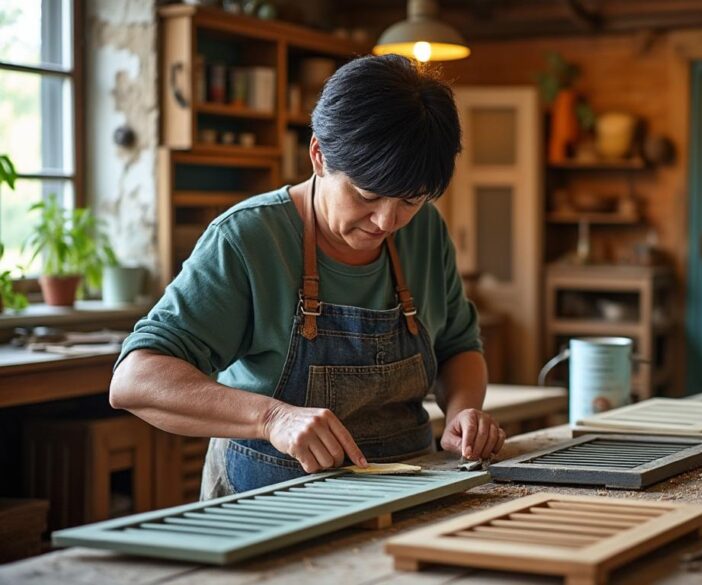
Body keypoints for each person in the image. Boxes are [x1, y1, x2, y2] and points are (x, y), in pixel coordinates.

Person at [109, 55, 506, 499]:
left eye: (410, 200)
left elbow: (458, 346)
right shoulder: (248, 239)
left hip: (412, 490)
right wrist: (271, 418)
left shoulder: (426, 230)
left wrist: (462, 412)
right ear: (318, 155)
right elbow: (135, 379)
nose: (387, 221)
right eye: (366, 195)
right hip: (271, 500)